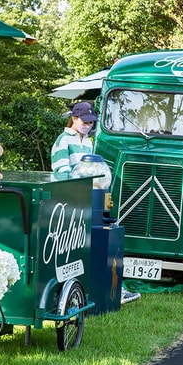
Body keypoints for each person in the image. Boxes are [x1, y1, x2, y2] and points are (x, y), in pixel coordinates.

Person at [51, 102, 141, 304]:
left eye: (92, 122)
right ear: (74, 119)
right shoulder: (63, 141)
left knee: (102, 240)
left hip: (92, 200)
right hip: (73, 202)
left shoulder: (88, 142)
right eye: (85, 121)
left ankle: (111, 288)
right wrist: (78, 190)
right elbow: (61, 173)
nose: (88, 125)